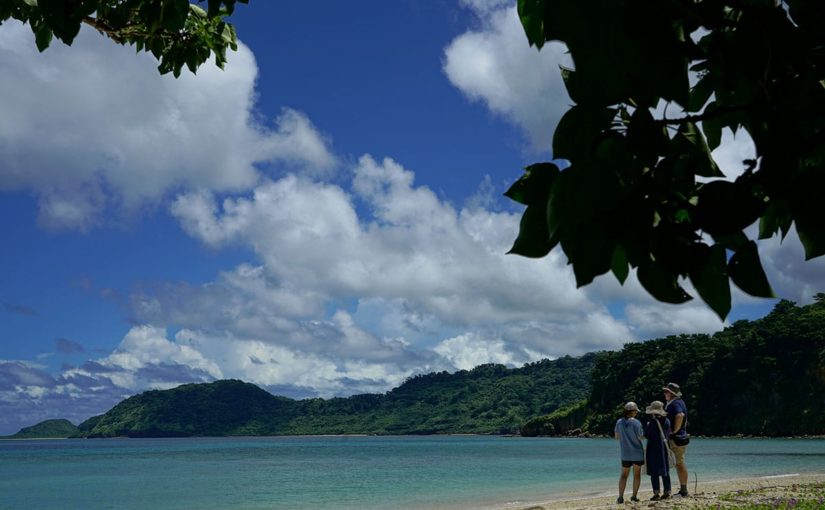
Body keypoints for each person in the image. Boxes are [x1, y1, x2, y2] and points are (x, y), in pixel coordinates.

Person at [614, 401, 644, 504]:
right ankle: (634, 496)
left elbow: (617, 437)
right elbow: (640, 437)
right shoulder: (637, 422)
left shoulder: (619, 422)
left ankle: (620, 497)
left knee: (623, 475)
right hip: (637, 453)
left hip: (625, 453)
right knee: (637, 475)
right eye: (636, 411)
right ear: (633, 411)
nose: (637, 413)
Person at [663, 382, 689, 497]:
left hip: (676, 438)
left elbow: (680, 415)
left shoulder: (675, 403)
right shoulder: (676, 402)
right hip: (678, 437)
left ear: (672, 393)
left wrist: (674, 431)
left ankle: (684, 490)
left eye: (666, 391)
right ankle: (682, 489)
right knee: (678, 463)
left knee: (679, 463)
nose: (664, 393)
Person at [644, 401, 672, 500]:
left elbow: (647, 435)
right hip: (665, 448)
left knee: (654, 472)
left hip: (653, 449)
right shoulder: (667, 421)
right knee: (665, 470)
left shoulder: (652, 422)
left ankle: (656, 493)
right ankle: (667, 491)